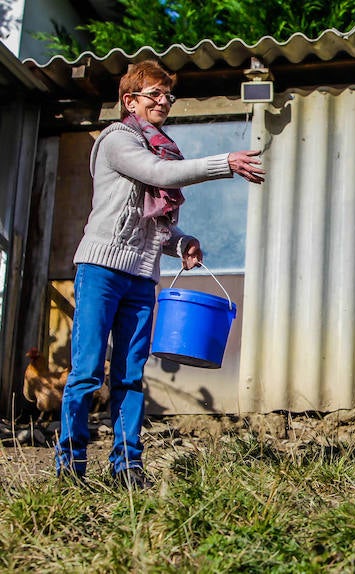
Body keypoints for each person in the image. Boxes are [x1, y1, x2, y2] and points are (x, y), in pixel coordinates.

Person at [54, 60, 266, 488]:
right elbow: (158, 175)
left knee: (131, 376)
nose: (164, 101)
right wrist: (224, 162)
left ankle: (127, 468)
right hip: (101, 270)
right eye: (155, 94)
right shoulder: (118, 140)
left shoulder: (159, 146)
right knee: (87, 371)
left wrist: (181, 243)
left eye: (168, 95)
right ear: (129, 101)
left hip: (141, 277)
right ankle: (71, 467)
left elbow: (153, 225)